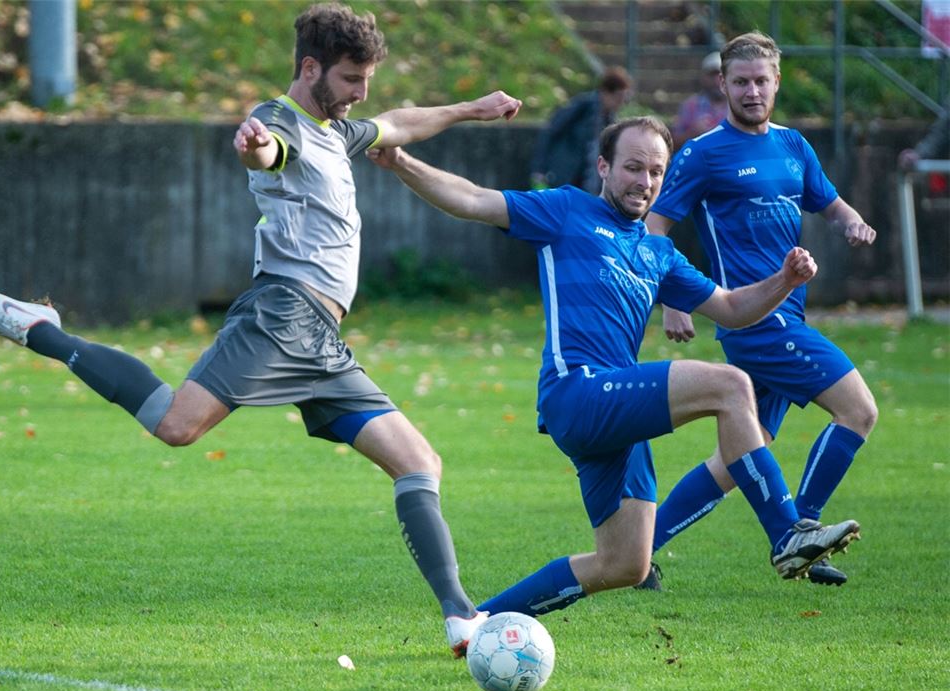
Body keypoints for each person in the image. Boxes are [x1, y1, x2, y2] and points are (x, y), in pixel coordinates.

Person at [0, 2, 523, 657]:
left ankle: (461, 618)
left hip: (322, 341)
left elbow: (398, 123)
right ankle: (42, 330)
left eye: (367, 79)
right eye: (350, 78)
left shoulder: (337, 130)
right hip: (282, 316)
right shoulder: (282, 122)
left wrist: (470, 109)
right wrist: (256, 150)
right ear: (311, 68)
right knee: (175, 425)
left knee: (419, 462)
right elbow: (268, 151)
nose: (362, 93)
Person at [367, 115, 860, 621]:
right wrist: (402, 162)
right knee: (730, 384)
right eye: (632, 167)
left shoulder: (659, 252)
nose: (644, 182)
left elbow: (732, 309)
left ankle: (477, 624)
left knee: (624, 563)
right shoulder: (566, 210)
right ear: (604, 167)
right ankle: (786, 533)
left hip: (616, 416)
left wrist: (784, 281)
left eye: (656, 172)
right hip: (577, 392)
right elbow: (472, 199)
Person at [644, 30, 878, 589]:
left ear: (777, 83)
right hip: (753, 322)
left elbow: (829, 202)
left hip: (788, 317)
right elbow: (654, 227)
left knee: (739, 456)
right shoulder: (703, 153)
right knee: (858, 410)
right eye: (741, 82)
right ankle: (801, 531)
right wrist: (673, 299)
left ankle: (638, 553)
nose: (752, 92)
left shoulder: (794, 146)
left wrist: (852, 222)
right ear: (723, 84)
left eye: (761, 81)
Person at [529, 66, 632, 194]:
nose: (621, 103)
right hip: (564, 175)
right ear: (606, 92)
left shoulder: (610, 120)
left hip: (587, 183)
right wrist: (538, 169)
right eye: (618, 98)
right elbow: (550, 132)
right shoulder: (583, 106)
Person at [671, 51, 727, 147]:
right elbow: (673, 142)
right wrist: (693, 132)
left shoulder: (737, 105)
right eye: (712, 75)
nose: (716, 80)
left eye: (720, 75)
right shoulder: (690, 105)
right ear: (703, 77)